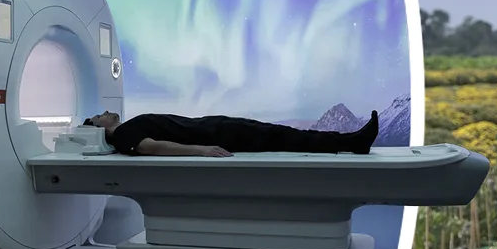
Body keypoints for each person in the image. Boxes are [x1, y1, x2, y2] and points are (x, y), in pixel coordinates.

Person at [82, 110, 381, 157]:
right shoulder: (123, 137)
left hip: (214, 126)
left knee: (280, 132)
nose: (104, 111)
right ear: (99, 127)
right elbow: (153, 147)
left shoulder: (125, 129)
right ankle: (353, 143)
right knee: (284, 136)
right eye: (98, 115)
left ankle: (351, 141)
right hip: (215, 136)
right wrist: (202, 149)